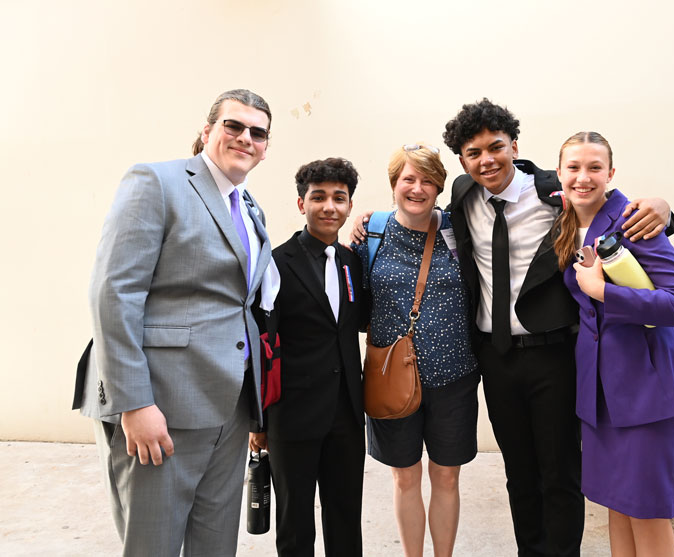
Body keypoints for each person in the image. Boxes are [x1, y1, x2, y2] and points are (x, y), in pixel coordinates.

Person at [442, 99, 674, 557]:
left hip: (555, 353)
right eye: (474, 153)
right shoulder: (462, 194)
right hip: (496, 354)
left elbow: (616, 208)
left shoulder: (556, 188)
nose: (487, 159)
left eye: (496, 147)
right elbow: (421, 213)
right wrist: (367, 222)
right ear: (463, 160)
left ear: (515, 145)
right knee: (519, 472)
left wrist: (665, 209)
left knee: (560, 471)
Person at [74, 89, 277, 556]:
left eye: (258, 133)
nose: (246, 138)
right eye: (234, 126)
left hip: (229, 406)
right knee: (154, 544)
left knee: (215, 544)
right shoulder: (156, 182)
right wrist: (134, 402)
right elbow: (114, 292)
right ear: (207, 132)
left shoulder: (249, 207)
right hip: (160, 405)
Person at [554, 131, 674, 556]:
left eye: (595, 168)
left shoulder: (634, 221)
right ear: (558, 173)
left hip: (647, 391)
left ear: (611, 173)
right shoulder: (566, 218)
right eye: (574, 168)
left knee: (646, 511)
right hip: (601, 395)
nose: (583, 177)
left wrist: (603, 292)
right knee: (617, 506)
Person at [352, 144, 480, 557]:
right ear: (393, 184)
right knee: (405, 478)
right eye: (409, 179)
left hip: (454, 376)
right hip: (391, 379)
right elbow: (358, 304)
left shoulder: (460, 230)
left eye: (428, 180)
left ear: (440, 186)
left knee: (446, 478)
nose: (418, 188)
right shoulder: (371, 235)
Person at [249, 158, 367, 556]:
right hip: (292, 414)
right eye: (318, 197)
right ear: (302, 204)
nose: (329, 206)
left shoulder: (353, 262)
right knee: (295, 522)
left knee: (346, 517)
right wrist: (257, 420)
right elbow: (262, 343)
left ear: (349, 205)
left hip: (347, 412)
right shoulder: (277, 263)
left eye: (339, 198)